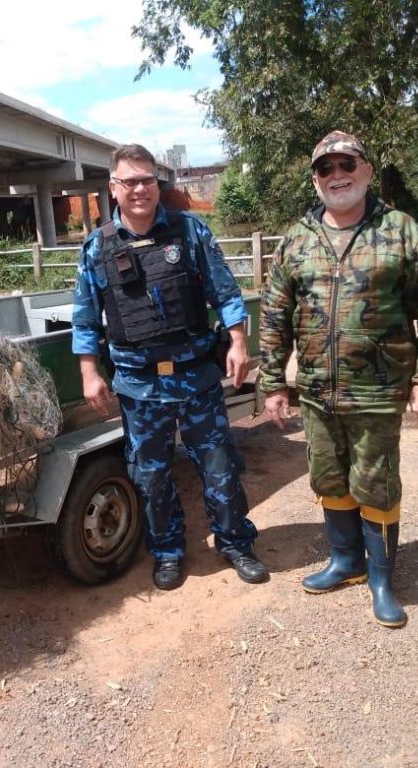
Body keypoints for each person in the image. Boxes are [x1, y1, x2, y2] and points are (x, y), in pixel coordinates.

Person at [259, 131, 418, 626]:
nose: (337, 174)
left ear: (367, 170)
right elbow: (275, 315)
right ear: (315, 179)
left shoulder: (401, 231)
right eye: (325, 167)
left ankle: (382, 577)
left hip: (378, 390)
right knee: (328, 478)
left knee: (377, 482)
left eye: (347, 163)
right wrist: (274, 382)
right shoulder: (297, 239)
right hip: (318, 393)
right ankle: (346, 561)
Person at [71, 143, 266, 590]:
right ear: (113, 188)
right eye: (130, 181)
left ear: (157, 185)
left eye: (147, 180)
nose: (140, 189)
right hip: (139, 386)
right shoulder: (96, 249)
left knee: (220, 467)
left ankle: (235, 542)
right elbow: (84, 319)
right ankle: (168, 551)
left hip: (197, 376)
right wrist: (89, 372)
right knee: (151, 475)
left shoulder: (190, 232)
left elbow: (227, 295)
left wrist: (238, 342)